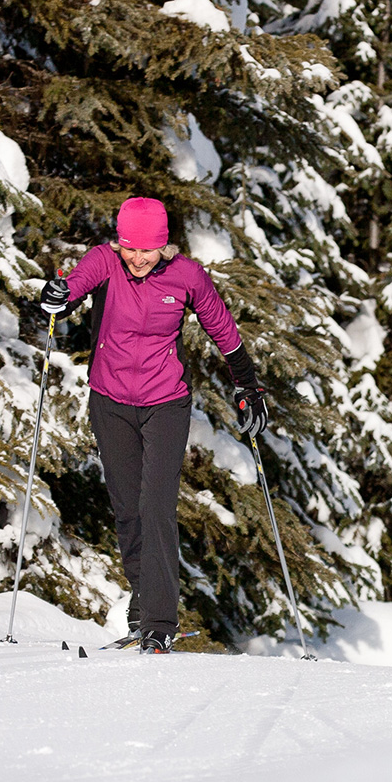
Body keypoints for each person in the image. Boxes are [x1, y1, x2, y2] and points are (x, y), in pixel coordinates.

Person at [39, 197, 267, 654]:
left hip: (166, 403)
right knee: (127, 508)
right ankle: (142, 606)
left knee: (157, 505)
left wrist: (248, 385)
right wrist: (58, 298)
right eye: (131, 249)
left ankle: (161, 621)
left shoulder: (186, 276)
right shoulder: (104, 262)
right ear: (119, 244)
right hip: (110, 401)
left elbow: (223, 329)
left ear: (164, 247)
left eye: (148, 250)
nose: (139, 259)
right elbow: (73, 287)